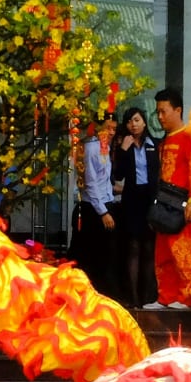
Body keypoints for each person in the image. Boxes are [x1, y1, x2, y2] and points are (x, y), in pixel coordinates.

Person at [151, 87, 191, 309]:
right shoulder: (163, 141)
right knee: (163, 255)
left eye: (164, 111)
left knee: (184, 255)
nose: (160, 117)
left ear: (177, 110)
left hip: (183, 205)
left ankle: (187, 297)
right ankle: (166, 297)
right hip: (164, 204)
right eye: (158, 112)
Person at [111, 106, 158, 309]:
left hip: (150, 199)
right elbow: (118, 176)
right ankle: (133, 299)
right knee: (133, 248)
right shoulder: (125, 144)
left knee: (149, 249)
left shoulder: (154, 144)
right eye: (130, 121)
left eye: (137, 120)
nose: (134, 124)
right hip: (131, 199)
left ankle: (147, 297)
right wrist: (123, 150)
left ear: (145, 122)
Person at [73, 114, 118, 298]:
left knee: (104, 258)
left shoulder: (104, 148)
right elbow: (91, 183)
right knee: (90, 258)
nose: (111, 132)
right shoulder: (91, 148)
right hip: (93, 208)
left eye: (114, 129)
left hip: (105, 203)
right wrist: (103, 212)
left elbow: (104, 180)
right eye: (108, 128)